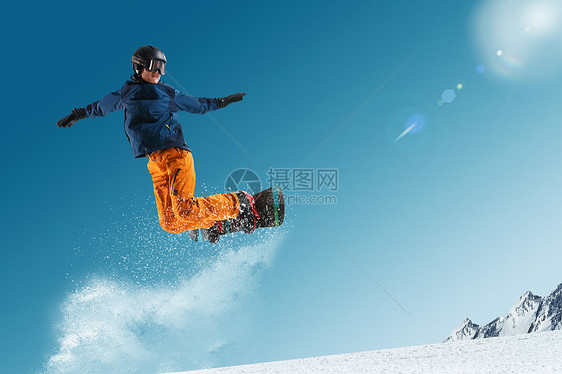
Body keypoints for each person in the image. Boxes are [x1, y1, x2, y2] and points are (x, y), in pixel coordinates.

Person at [57, 45, 259, 242]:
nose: (158, 72)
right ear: (139, 67)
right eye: (154, 66)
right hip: (155, 164)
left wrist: (224, 101)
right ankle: (213, 223)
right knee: (170, 223)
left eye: (162, 67)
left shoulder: (166, 92)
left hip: (176, 155)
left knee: (185, 211)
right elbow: (101, 107)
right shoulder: (127, 93)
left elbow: (197, 105)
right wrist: (78, 114)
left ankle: (240, 202)